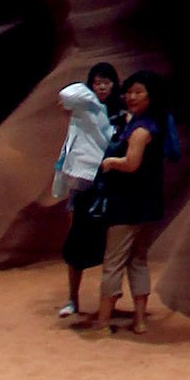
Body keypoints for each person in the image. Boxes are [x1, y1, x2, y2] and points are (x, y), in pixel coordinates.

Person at [76, 72, 163, 337]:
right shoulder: (147, 123)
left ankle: (103, 321)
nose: (132, 97)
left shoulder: (140, 130)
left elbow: (132, 163)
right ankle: (139, 320)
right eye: (129, 92)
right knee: (138, 260)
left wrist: (111, 163)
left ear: (150, 96)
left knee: (113, 262)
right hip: (146, 204)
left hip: (127, 204)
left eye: (138, 92)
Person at [52, 61, 121, 321]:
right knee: (75, 242)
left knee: (113, 244)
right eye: (97, 82)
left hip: (111, 181)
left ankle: (110, 299)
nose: (102, 87)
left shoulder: (121, 110)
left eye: (107, 82)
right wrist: (88, 99)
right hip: (82, 182)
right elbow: (66, 96)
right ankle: (73, 298)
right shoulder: (84, 104)